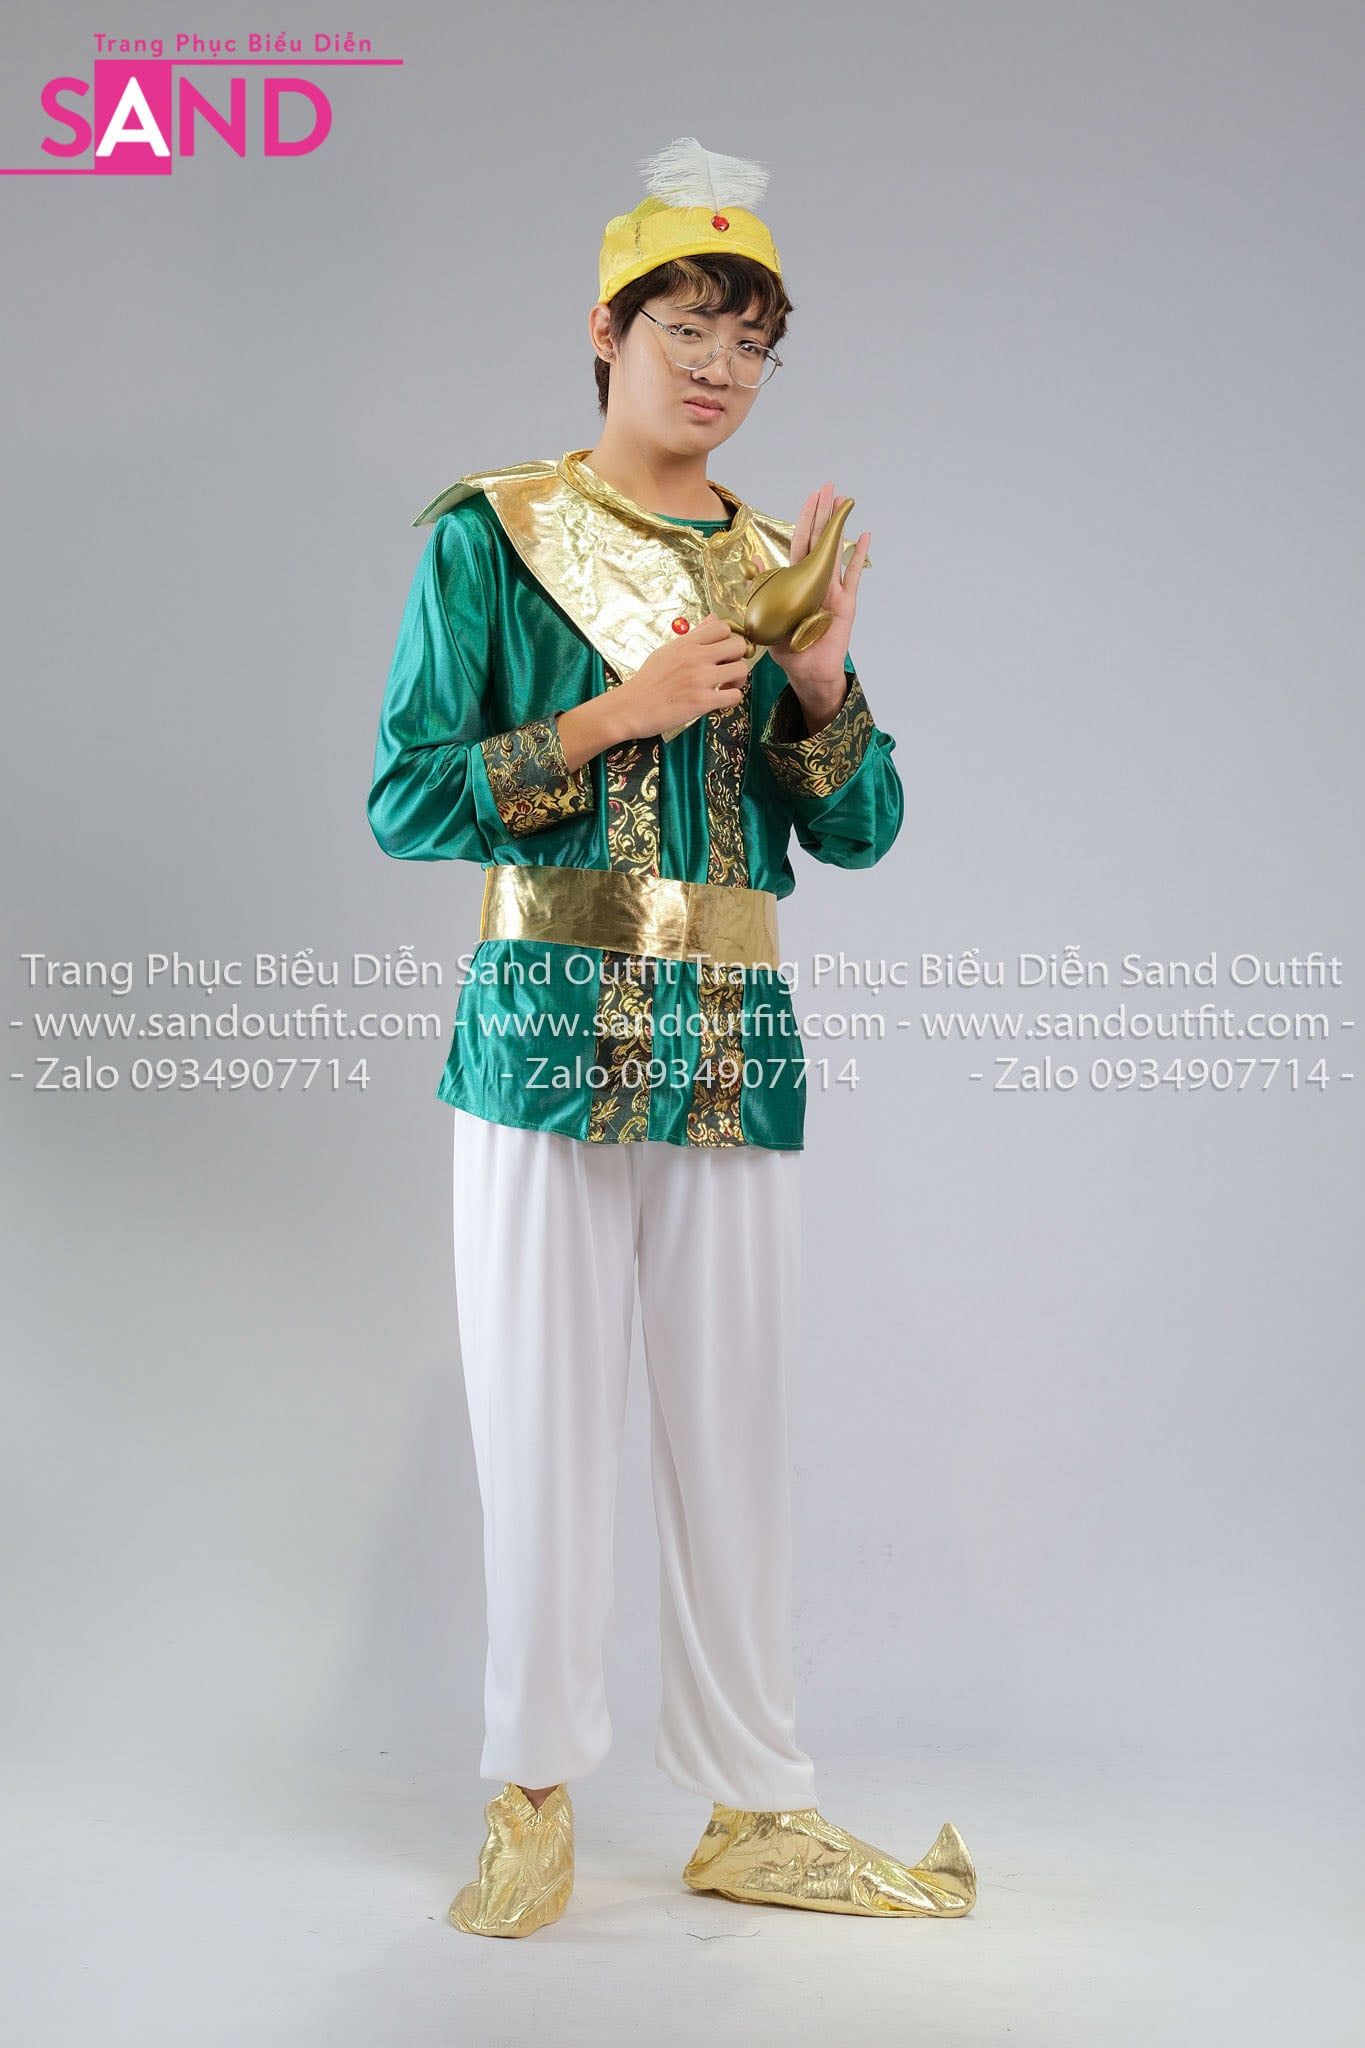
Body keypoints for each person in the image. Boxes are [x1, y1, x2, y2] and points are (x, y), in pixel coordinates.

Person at [367, 136, 977, 1936]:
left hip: (731, 1038)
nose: (718, 369)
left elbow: (859, 833)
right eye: (684, 329)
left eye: (749, 343)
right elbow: (406, 798)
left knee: (735, 1435)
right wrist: (608, 717)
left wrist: (820, 682)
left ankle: (755, 1806)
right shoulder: (492, 536)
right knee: (538, 1423)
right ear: (605, 332)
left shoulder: (782, 561)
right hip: (537, 1032)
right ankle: (531, 1796)